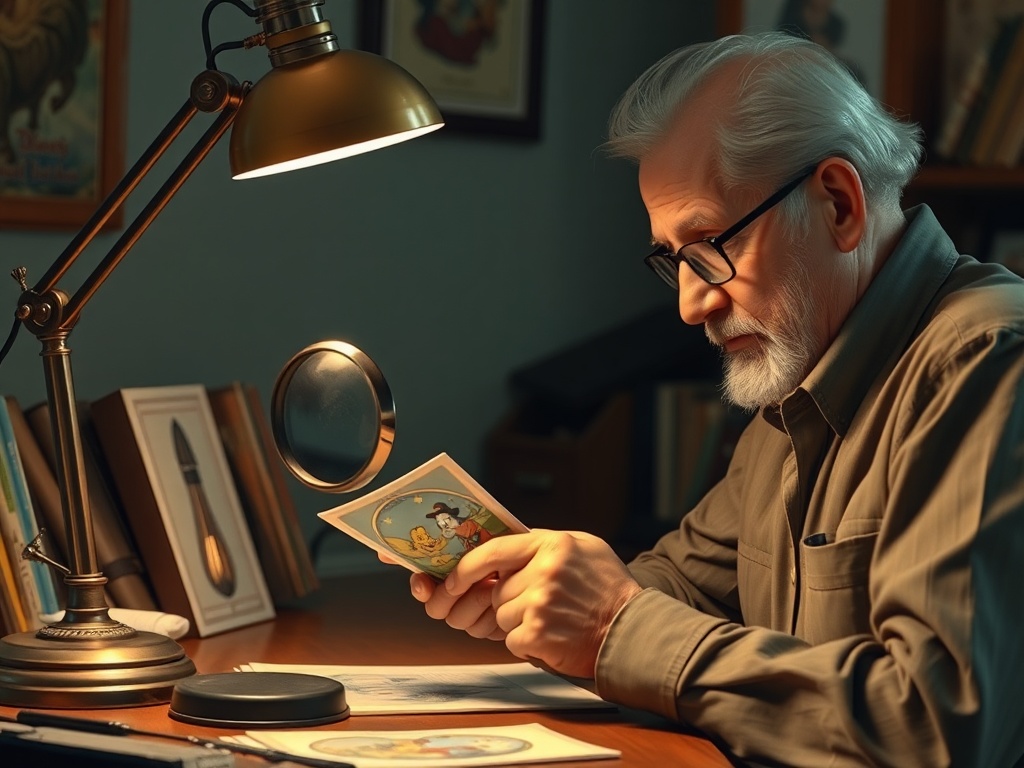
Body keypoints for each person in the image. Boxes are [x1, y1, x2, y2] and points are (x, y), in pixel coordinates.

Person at [394, 31, 1024, 767]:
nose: (692, 304)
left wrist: (613, 625)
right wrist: (540, 590)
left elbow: (934, 727)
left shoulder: (986, 360)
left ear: (838, 203)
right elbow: (688, 589)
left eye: (709, 246)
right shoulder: (805, 370)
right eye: (673, 260)